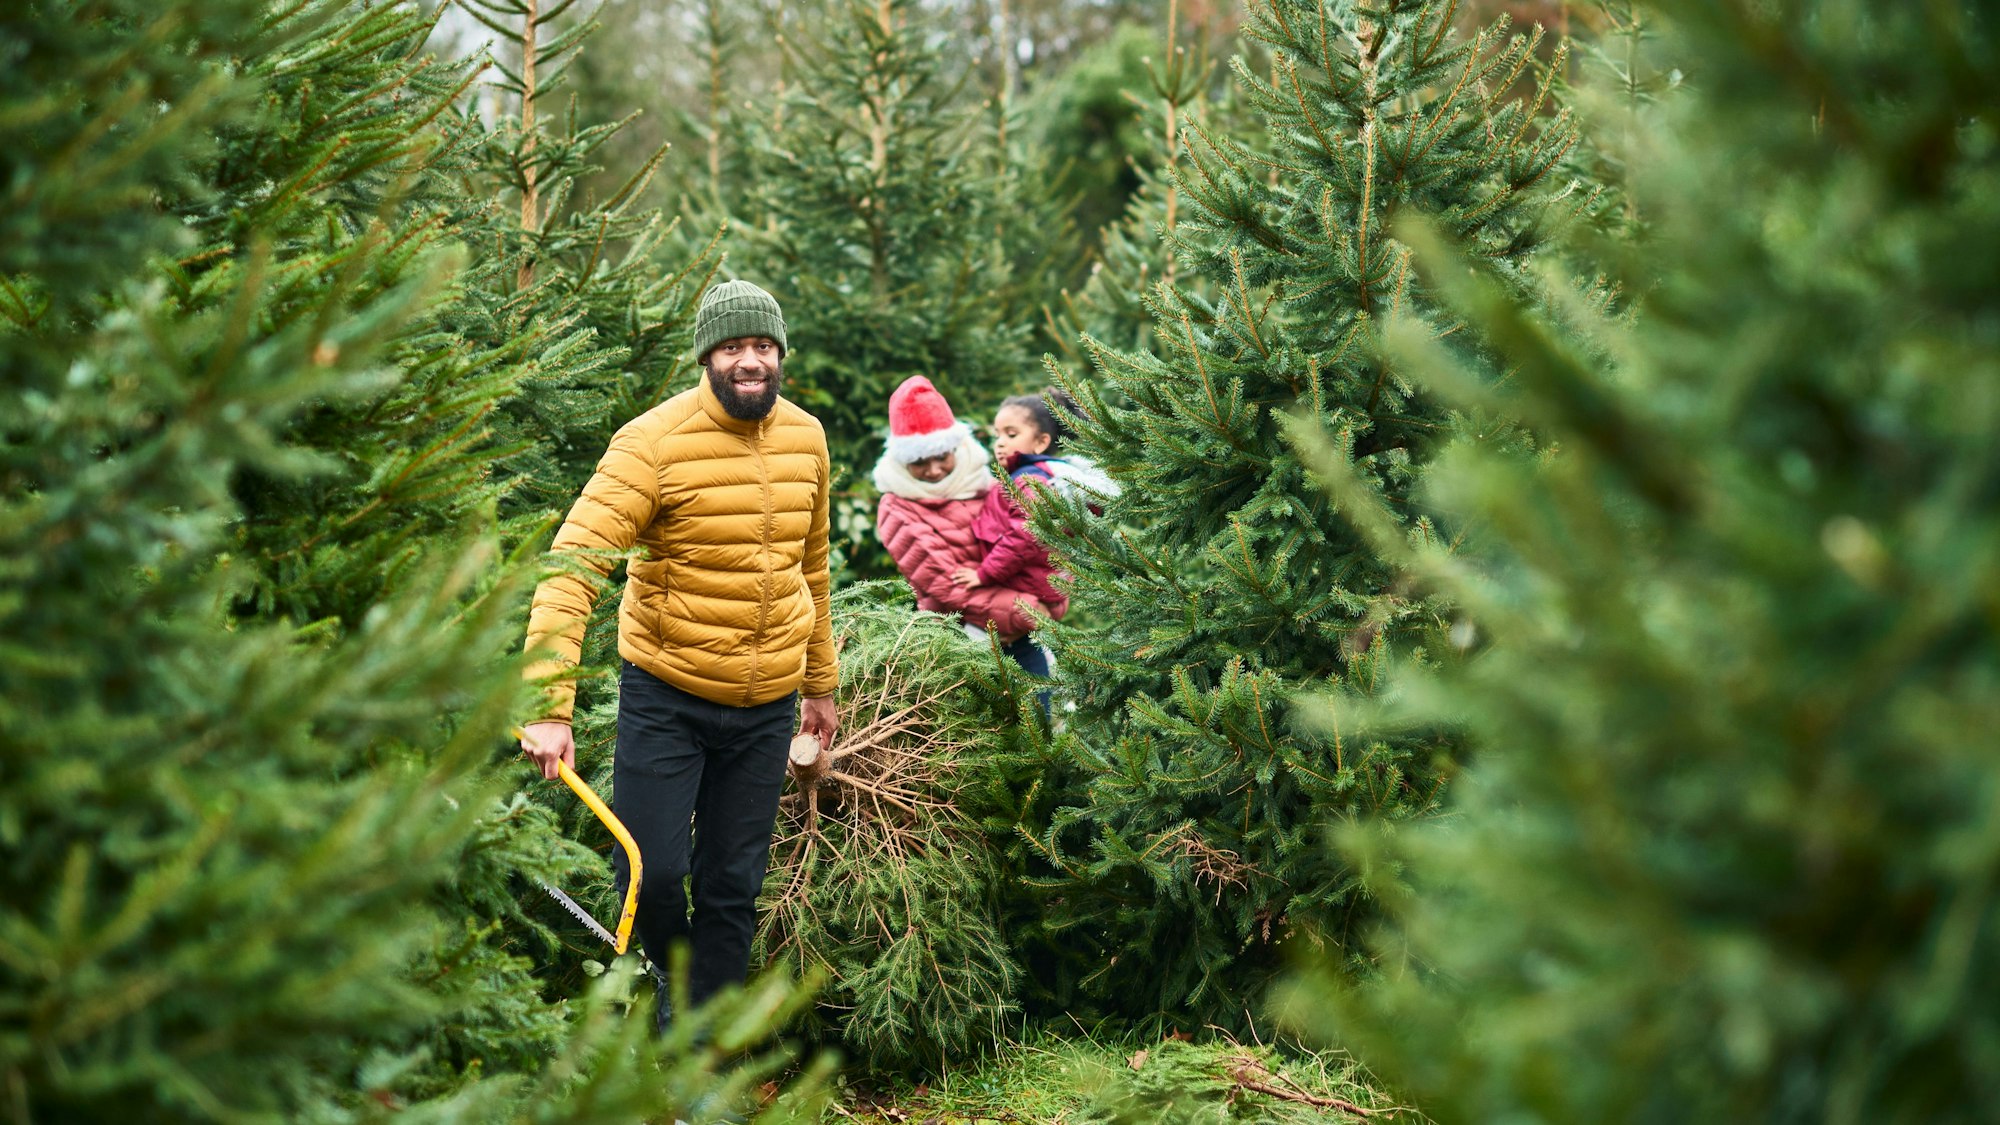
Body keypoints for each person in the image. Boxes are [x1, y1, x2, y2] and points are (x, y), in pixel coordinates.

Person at [517, 279, 839, 1030]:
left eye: (764, 346)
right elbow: (573, 569)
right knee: (653, 871)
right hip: (668, 695)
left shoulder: (807, 437)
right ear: (706, 357)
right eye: (734, 347)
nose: (751, 360)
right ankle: (671, 971)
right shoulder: (652, 443)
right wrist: (547, 706)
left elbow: (813, 569)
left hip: (767, 705)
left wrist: (820, 685)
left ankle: (700, 1047)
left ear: (780, 354)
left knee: (733, 884)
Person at [872, 375, 1064, 664]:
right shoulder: (897, 507)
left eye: (941, 457)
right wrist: (1031, 611)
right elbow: (948, 585)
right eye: (919, 462)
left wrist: (1052, 599)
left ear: (955, 448)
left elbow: (1030, 544)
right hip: (959, 638)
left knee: (1040, 692)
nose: (934, 470)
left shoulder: (982, 482)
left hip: (1021, 633)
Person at [951, 388, 1117, 678]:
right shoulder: (1036, 475)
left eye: (1011, 434)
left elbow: (1025, 535)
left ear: (1041, 442)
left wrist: (983, 574)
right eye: (997, 435)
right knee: (1033, 660)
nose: (1000, 443)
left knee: (981, 657)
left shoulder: (1028, 481)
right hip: (1033, 588)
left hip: (1022, 588)